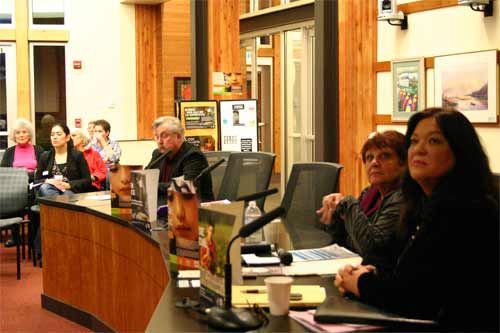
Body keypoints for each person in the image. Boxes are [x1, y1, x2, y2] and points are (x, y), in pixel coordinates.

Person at [334, 108, 499, 330]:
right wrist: (369, 270)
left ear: (460, 151)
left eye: (434, 141)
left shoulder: (466, 208)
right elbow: (386, 254)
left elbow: (412, 297)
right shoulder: (419, 203)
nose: (418, 149)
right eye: (413, 141)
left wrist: (358, 283)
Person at [316, 131, 406, 269]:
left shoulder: (402, 197)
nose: (375, 162)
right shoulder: (370, 194)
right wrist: (334, 214)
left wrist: (348, 202)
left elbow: (371, 248)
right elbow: (348, 239)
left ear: (404, 164)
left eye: (385, 156)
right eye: (369, 157)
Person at [147, 116, 214, 202]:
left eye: (164, 136)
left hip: (194, 209)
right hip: (164, 206)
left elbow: (185, 186)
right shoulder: (158, 154)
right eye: (157, 137)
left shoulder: (193, 156)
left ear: (178, 136)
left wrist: (153, 186)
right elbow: (146, 178)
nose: (159, 141)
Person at [1, 118, 44, 247]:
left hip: (33, 185)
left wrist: (26, 175)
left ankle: (33, 237)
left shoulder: (38, 150)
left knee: (35, 197)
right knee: (12, 196)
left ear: (29, 134)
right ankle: (15, 236)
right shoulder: (10, 152)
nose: (21, 135)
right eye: (18, 132)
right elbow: (4, 174)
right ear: (14, 135)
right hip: (14, 187)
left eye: (24, 132)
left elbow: (42, 172)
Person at [35, 123, 92, 196]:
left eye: (58, 134)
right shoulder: (45, 157)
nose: (54, 137)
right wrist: (47, 181)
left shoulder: (77, 156)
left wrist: (69, 185)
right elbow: (36, 181)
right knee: (45, 187)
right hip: (49, 190)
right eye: (52, 135)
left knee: (66, 194)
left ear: (67, 137)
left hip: (70, 191)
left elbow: (87, 180)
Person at [92, 119, 121, 189]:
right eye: (95, 131)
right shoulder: (91, 145)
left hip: (109, 171)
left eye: (100, 131)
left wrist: (103, 141)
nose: (97, 134)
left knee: (109, 175)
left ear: (107, 132)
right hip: (95, 172)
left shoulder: (114, 144)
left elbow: (113, 158)